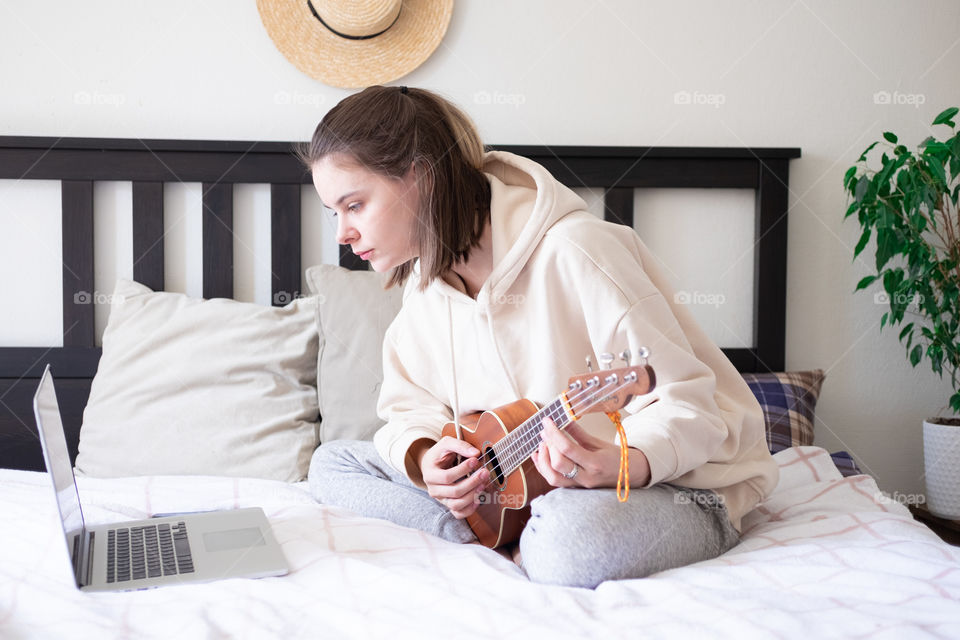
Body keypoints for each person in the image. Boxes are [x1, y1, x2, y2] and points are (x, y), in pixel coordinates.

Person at [304, 85, 779, 589]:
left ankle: (519, 539)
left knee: (567, 544)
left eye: (353, 205)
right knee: (333, 462)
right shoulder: (424, 289)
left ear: (419, 175)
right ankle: (475, 533)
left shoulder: (578, 251)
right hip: (518, 492)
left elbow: (690, 407)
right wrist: (427, 460)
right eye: (335, 212)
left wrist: (624, 461)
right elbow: (408, 408)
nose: (342, 234)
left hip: (674, 487)